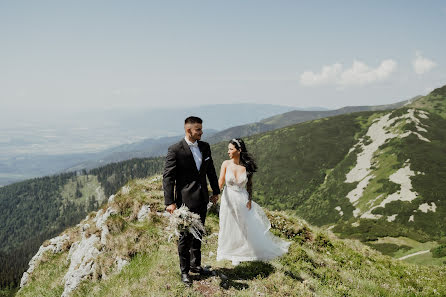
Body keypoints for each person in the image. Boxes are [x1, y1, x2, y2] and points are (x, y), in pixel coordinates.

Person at [163, 116, 220, 286]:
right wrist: (170, 202)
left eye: (201, 129)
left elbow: (210, 170)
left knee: (199, 233)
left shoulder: (205, 146)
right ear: (189, 130)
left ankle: (196, 265)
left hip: (202, 198)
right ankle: (184, 271)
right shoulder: (175, 150)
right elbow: (168, 177)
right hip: (184, 202)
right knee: (184, 236)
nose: (201, 132)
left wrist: (215, 191)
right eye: (198, 130)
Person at [216, 138, 290, 265]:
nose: (228, 151)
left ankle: (239, 253)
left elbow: (249, 185)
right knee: (228, 223)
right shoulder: (225, 164)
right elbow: (220, 182)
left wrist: (249, 200)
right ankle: (225, 250)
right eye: (228, 149)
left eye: (231, 149)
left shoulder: (246, 167)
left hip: (242, 198)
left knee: (243, 225)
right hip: (228, 198)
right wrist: (214, 195)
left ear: (239, 151)